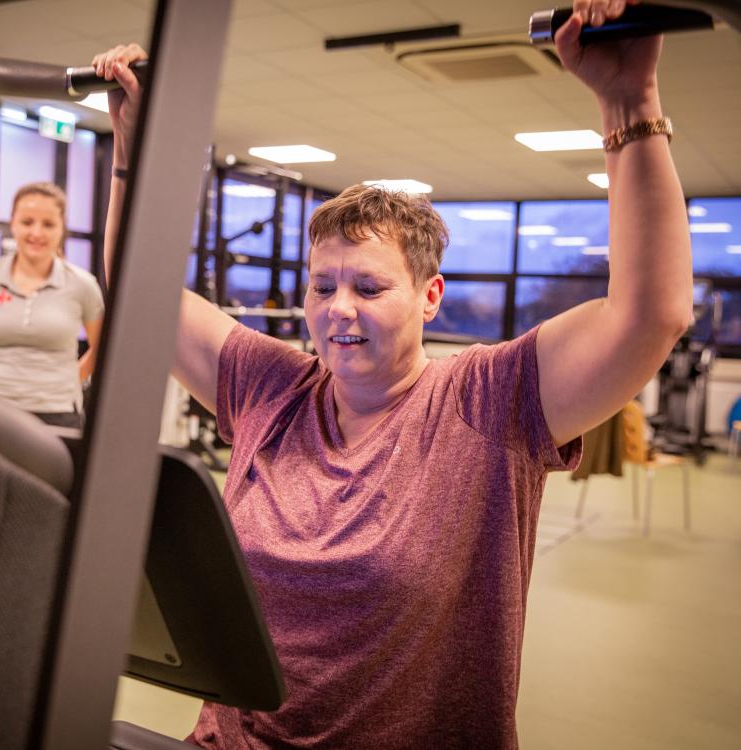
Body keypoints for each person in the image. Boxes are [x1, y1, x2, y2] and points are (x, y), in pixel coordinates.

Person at [94, 0, 692, 744]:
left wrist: (629, 102)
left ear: (429, 297)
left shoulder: (487, 401)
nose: (338, 310)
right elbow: (139, 289)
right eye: (322, 287)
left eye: (370, 288)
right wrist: (134, 150)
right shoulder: (267, 386)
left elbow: (650, 314)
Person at [0, 182, 104, 429]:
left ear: (62, 228)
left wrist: (69, 378)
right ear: (13, 223)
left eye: (48, 224)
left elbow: (102, 348)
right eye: (27, 222)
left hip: (58, 410)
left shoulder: (83, 285)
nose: (37, 233)